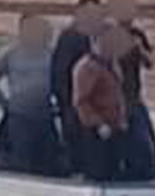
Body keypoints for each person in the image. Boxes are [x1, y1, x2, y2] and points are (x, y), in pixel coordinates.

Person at [0, 14, 58, 175]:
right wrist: (5, 104)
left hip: (45, 117)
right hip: (20, 118)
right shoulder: (10, 54)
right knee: (23, 164)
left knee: (50, 164)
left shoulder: (51, 54)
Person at [50, 0, 106, 173]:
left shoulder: (97, 37)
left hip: (96, 109)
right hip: (76, 110)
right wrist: (69, 108)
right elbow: (60, 75)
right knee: (83, 158)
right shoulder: (70, 37)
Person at [72, 24, 132, 181]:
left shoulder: (112, 64)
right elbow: (81, 102)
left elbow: (118, 93)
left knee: (115, 171)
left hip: (115, 128)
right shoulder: (87, 67)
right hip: (97, 132)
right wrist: (98, 124)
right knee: (98, 172)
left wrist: (122, 119)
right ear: (96, 42)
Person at [110, 0, 155, 178]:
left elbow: (150, 63)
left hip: (135, 97)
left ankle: (150, 172)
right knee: (129, 140)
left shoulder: (137, 35)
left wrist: (139, 48)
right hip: (117, 99)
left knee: (148, 141)